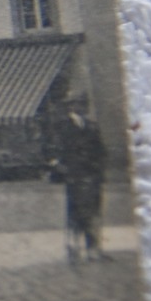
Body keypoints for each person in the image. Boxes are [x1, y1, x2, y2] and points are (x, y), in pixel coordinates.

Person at [51, 98, 104, 264]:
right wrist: (58, 165)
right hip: (74, 175)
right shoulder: (62, 126)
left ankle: (93, 248)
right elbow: (54, 147)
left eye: (82, 104)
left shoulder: (92, 126)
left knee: (93, 210)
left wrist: (98, 166)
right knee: (75, 210)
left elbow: (100, 149)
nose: (80, 107)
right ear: (70, 107)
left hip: (91, 174)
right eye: (76, 104)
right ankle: (73, 246)